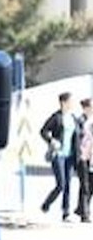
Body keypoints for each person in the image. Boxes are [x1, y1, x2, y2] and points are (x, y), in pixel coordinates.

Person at [40, 91, 81, 220]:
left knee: (68, 184)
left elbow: (79, 134)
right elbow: (43, 131)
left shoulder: (74, 118)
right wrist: (51, 140)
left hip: (70, 156)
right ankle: (47, 203)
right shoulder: (56, 117)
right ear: (63, 102)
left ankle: (66, 212)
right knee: (61, 184)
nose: (72, 104)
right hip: (58, 155)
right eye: (70, 101)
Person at [76, 98, 92, 223]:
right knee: (85, 186)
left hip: (91, 158)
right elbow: (77, 139)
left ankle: (81, 208)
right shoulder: (80, 121)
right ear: (86, 108)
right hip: (83, 158)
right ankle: (84, 215)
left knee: (89, 186)